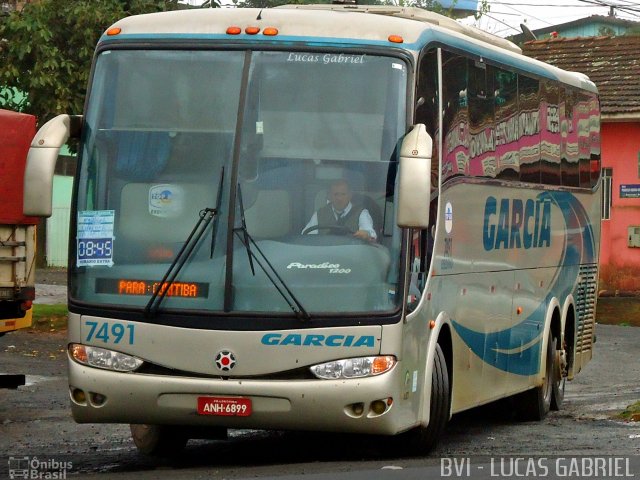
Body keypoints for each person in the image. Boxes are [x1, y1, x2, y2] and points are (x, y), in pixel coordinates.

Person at [302, 179, 377, 241]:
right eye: (336, 194)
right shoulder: (319, 214)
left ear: (350, 195)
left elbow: (371, 234)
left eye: (343, 194)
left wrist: (366, 234)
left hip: (352, 255)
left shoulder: (361, 213)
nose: (339, 198)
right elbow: (307, 237)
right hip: (325, 255)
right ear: (329, 196)